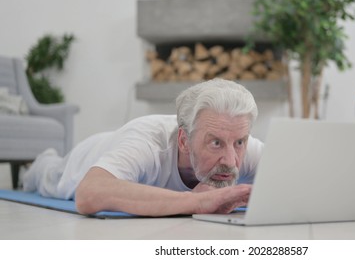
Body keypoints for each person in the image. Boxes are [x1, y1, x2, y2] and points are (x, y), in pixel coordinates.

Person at [23, 79, 264, 217]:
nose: (232, 161)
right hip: (80, 160)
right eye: (215, 143)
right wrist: (197, 201)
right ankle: (41, 160)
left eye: (240, 142)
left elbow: (296, 179)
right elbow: (89, 194)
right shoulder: (148, 142)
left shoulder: (236, 138)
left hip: (119, 146)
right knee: (43, 171)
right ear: (183, 140)